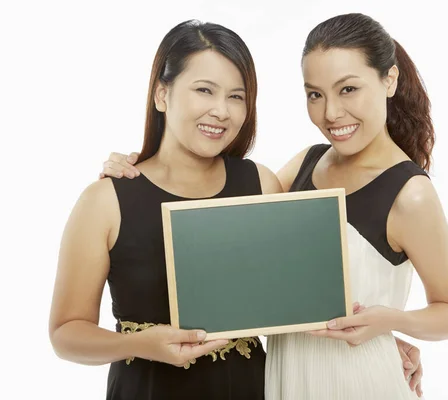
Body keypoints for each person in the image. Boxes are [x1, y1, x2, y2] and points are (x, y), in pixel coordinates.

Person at [101, 12, 448, 399]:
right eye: (315, 94)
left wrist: (388, 324)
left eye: (348, 89)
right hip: (282, 377)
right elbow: (227, 214)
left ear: (388, 80)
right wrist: (145, 168)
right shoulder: (306, 164)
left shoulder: (410, 192)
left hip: (357, 381)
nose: (331, 113)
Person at [49, 20, 281, 400]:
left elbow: (302, 292)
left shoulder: (261, 185)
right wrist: (141, 345)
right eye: (204, 90)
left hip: (249, 387)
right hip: (147, 389)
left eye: (236, 96)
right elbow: (65, 334)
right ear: (162, 94)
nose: (221, 111)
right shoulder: (105, 201)